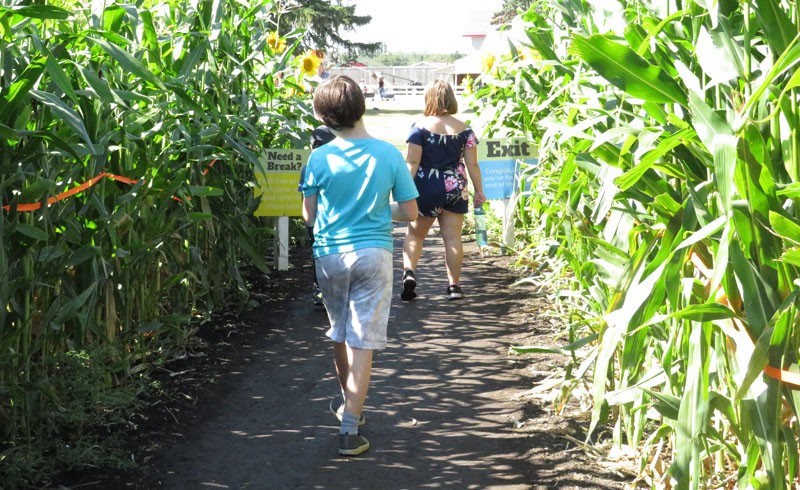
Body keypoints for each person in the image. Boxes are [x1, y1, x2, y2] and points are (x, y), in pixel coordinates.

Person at [300, 75, 419, 456]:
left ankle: (346, 403)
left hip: (329, 255)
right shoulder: (388, 154)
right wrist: (379, 211)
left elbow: (309, 216)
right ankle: (350, 428)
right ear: (362, 107)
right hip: (374, 254)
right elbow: (411, 212)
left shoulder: (319, 157)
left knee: (340, 331)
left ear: (325, 117)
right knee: (363, 339)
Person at [400, 79, 486, 301]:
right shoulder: (465, 130)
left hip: (425, 188)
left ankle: (409, 272)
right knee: (452, 238)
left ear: (429, 98)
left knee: (416, 234)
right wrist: (479, 191)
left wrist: (402, 188)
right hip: (455, 187)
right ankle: (454, 287)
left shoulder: (419, 127)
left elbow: (412, 162)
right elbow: (473, 164)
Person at [299, 125, 336, 307]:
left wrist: (309, 224)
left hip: (317, 222)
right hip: (335, 220)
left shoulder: (308, 167)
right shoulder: (339, 167)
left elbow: (305, 197)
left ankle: (320, 290)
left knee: (318, 257)